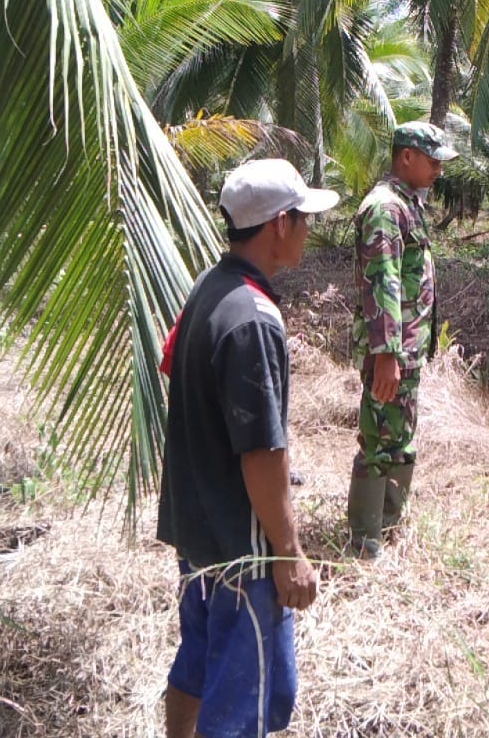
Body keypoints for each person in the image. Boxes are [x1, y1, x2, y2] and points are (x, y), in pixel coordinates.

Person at [157, 158, 339, 738]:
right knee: (247, 701)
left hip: (199, 533)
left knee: (198, 664)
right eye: (304, 218)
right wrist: (288, 553)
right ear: (280, 225)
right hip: (243, 550)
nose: (309, 230)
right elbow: (261, 452)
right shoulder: (254, 319)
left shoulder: (209, 289)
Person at [346, 120, 458, 559]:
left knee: (400, 434)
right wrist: (386, 354)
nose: (438, 171)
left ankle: (390, 524)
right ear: (406, 156)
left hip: (407, 349)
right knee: (378, 439)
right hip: (391, 352)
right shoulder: (385, 208)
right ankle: (365, 538)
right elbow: (382, 284)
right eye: (432, 161)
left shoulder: (407, 203)